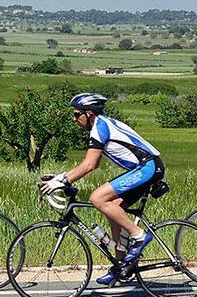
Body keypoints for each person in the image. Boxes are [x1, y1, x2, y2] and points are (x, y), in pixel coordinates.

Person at [40, 93, 165, 286]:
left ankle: (138, 235)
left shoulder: (100, 127)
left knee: (97, 198)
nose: (74, 119)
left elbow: (90, 165)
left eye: (76, 114)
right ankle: (121, 266)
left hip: (147, 167)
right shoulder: (101, 125)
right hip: (144, 168)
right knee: (113, 209)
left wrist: (61, 181)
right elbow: (87, 165)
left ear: (88, 113)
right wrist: (61, 178)